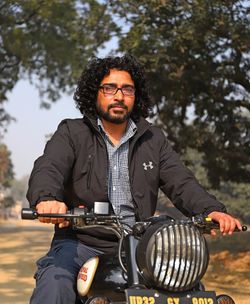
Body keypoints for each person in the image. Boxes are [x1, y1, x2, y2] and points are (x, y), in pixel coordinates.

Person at [26, 54, 241, 304]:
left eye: (127, 89)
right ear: (94, 93)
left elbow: (181, 182)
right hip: (82, 242)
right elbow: (49, 167)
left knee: (191, 290)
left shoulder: (153, 139)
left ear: (135, 95)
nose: (119, 96)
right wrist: (47, 198)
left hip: (144, 245)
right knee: (55, 284)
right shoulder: (72, 133)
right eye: (109, 88)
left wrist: (212, 210)